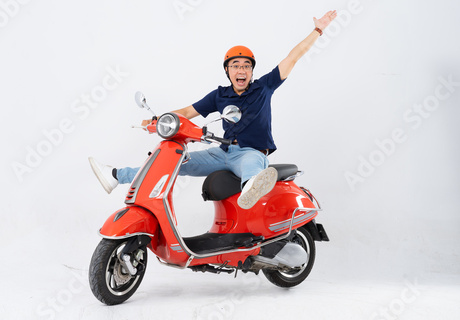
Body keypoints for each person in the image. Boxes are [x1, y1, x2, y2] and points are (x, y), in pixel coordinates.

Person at [89, 10, 337, 209]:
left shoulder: (264, 87)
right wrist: (157, 120)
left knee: (252, 165)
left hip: (251, 152)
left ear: (252, 71)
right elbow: (187, 112)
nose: (241, 70)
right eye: (235, 65)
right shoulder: (219, 95)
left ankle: (252, 187)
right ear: (228, 70)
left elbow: (293, 57)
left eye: (246, 66)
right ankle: (115, 175)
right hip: (222, 153)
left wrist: (317, 30)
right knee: (171, 161)